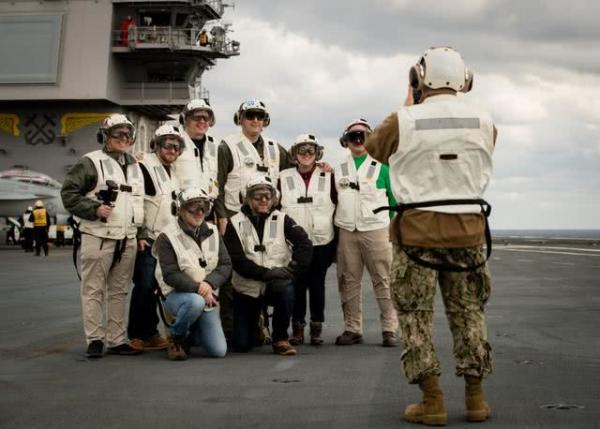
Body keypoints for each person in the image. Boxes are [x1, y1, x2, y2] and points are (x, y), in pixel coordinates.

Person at [365, 47, 496, 425]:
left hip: (417, 233)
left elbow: (375, 150)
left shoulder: (403, 119)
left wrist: (408, 104)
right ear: (464, 79)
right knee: (469, 313)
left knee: (415, 316)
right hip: (468, 232)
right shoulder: (484, 120)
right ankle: (475, 399)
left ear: (418, 78)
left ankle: (433, 401)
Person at [61, 113, 143, 358]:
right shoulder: (90, 162)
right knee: (93, 289)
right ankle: (95, 338)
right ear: (105, 136)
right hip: (98, 236)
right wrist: (94, 209)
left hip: (126, 238)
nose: (123, 138)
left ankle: (117, 339)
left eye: (127, 134)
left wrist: (139, 233)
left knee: (119, 291)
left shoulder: (134, 165)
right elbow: (69, 194)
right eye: (117, 133)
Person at [215, 98, 293, 342]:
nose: (255, 120)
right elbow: (216, 183)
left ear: (266, 120)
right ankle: (229, 329)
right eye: (250, 115)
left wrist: (322, 167)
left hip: (265, 220)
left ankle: (260, 326)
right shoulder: (227, 146)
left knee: (263, 266)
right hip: (234, 220)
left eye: (259, 116)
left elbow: (294, 169)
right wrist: (220, 215)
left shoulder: (275, 148)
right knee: (233, 278)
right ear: (240, 119)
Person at [223, 176, 312, 355]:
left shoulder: (283, 219)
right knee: (242, 345)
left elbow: (305, 245)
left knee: (287, 291)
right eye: (258, 197)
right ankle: (258, 326)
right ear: (247, 199)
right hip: (247, 288)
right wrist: (266, 274)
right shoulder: (234, 223)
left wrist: (292, 271)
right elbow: (237, 260)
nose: (264, 200)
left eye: (267, 196)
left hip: (276, 285)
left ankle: (280, 338)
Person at [334, 118, 399, 347]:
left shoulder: (383, 167)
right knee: (348, 281)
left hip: (377, 230)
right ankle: (352, 328)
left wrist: (389, 230)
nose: (359, 140)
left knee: (384, 280)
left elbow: (394, 201)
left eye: (363, 135)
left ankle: (389, 329)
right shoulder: (338, 169)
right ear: (346, 140)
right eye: (354, 136)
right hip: (347, 231)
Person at [153, 188, 231, 360]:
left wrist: (209, 284)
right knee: (195, 302)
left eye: (204, 208)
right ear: (179, 209)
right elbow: (170, 274)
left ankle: (192, 332)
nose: (199, 213)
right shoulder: (166, 236)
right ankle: (176, 337)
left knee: (219, 351)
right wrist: (200, 288)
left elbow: (225, 265)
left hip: (207, 294)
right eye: (193, 208)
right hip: (177, 296)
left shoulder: (213, 231)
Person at [128, 125, 184, 353]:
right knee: (143, 285)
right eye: (167, 144)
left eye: (176, 146)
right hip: (148, 238)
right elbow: (136, 200)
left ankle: (150, 332)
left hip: (166, 241)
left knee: (155, 287)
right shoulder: (143, 166)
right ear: (156, 145)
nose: (172, 149)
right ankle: (137, 334)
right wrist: (140, 232)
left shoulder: (173, 172)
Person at [279, 134, 336, 346]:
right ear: (294, 154)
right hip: (295, 243)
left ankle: (317, 327)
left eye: (310, 151)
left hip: (322, 241)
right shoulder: (283, 177)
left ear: (317, 153)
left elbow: (338, 206)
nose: (306, 154)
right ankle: (297, 327)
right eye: (301, 150)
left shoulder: (329, 175)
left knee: (317, 285)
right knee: (298, 285)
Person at [173, 99, 219, 199]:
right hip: (183, 207)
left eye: (206, 117)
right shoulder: (174, 141)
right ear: (185, 119)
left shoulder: (214, 144)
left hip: (208, 207)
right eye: (197, 117)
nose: (202, 121)